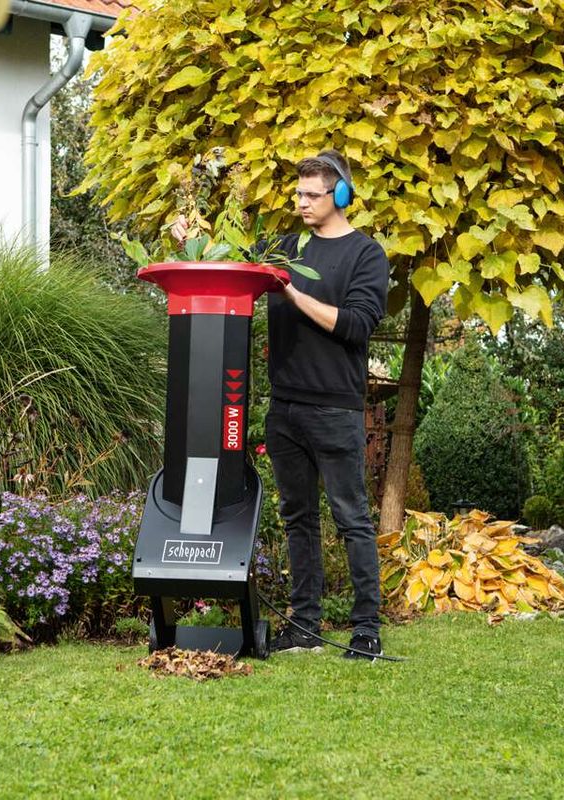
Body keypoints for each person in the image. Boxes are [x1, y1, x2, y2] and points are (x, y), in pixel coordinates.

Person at [173, 149, 390, 659]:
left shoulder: (366, 255)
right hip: (285, 408)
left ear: (340, 195)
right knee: (298, 518)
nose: (302, 203)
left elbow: (356, 325)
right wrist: (193, 241)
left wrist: (293, 293)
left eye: (312, 195)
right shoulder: (285, 248)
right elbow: (232, 267)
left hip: (335, 408)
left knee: (351, 518)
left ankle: (366, 630)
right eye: (298, 194)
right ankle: (306, 625)